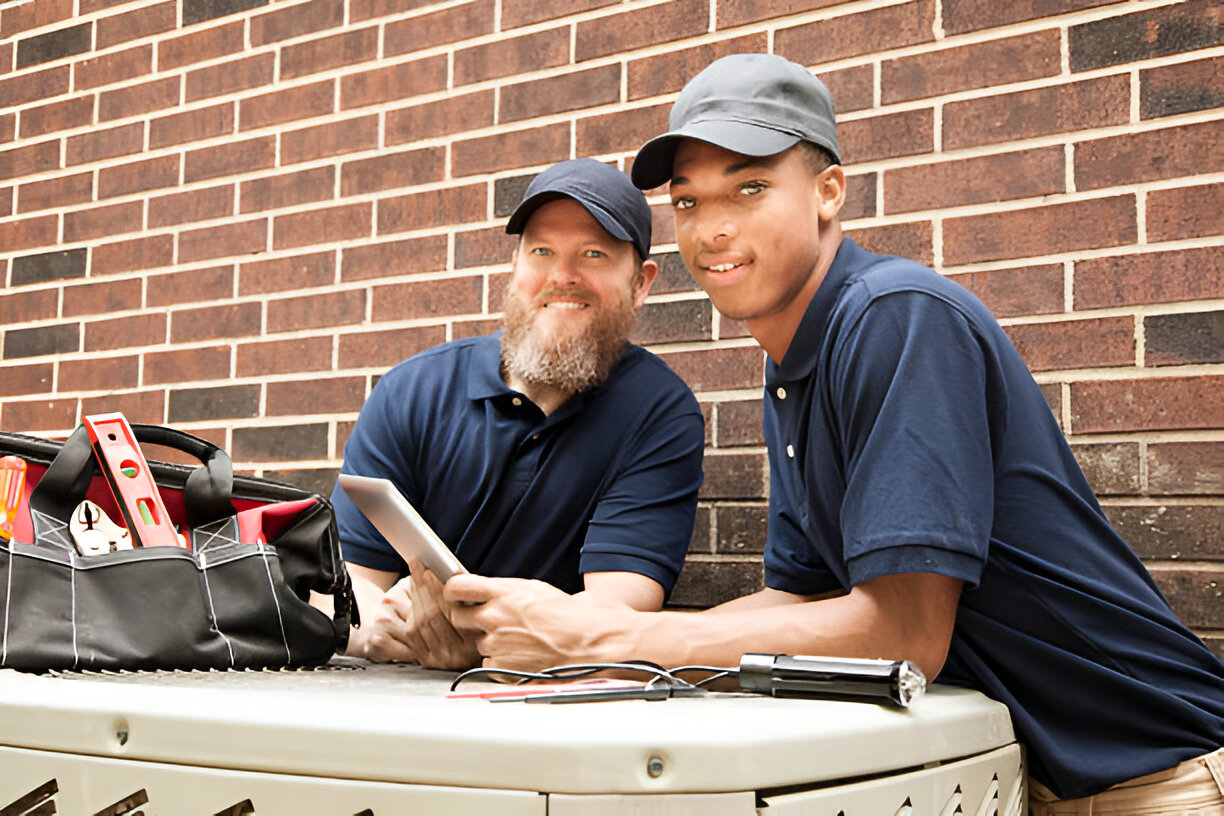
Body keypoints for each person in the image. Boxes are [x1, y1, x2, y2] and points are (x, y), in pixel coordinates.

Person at [447, 54, 1224, 810]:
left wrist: (611, 643)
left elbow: (905, 632)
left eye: (749, 188)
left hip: (1167, 774)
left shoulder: (896, 317)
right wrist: (593, 646)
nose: (711, 229)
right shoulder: (793, 364)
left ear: (828, 192)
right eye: (687, 203)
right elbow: (801, 594)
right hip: (1035, 778)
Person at [332, 157, 704, 671]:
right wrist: (380, 629)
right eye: (541, 251)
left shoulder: (660, 413)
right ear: (515, 267)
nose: (563, 276)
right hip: (390, 694)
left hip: (551, 704)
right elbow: (345, 588)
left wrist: (483, 641)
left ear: (640, 284)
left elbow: (616, 614)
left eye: (593, 254)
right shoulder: (411, 392)